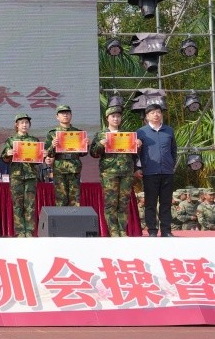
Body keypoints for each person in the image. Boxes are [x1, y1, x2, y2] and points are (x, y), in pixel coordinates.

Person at [89, 106, 137, 237]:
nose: (116, 119)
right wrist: (101, 144)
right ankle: (114, 231)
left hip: (126, 172)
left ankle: (122, 230)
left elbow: (134, 153)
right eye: (113, 116)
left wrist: (138, 145)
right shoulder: (100, 135)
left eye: (118, 116)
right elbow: (93, 153)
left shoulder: (127, 134)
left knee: (124, 203)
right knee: (111, 203)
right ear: (107, 119)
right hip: (109, 173)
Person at [136, 100, 178, 237]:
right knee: (150, 203)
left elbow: (173, 150)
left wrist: (171, 165)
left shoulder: (169, 130)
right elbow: (135, 153)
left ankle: (166, 230)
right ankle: (152, 230)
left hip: (167, 172)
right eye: (152, 113)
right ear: (147, 116)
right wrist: (138, 168)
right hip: (149, 172)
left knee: (166, 203)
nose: (156, 115)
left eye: (158, 112)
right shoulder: (141, 132)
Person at [2, 113, 43, 237]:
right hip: (16, 176)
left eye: (26, 123)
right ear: (17, 125)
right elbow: (4, 158)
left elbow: (38, 160)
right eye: (22, 123)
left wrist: (42, 155)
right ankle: (20, 231)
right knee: (18, 204)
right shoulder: (11, 140)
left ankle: (29, 230)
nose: (24, 125)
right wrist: (8, 154)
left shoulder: (34, 140)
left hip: (31, 175)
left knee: (30, 204)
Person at [44, 104, 89, 206]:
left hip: (74, 167)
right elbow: (48, 154)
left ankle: (74, 217)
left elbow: (83, 153)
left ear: (71, 115)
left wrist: (86, 145)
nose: (65, 115)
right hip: (59, 167)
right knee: (61, 198)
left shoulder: (78, 133)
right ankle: (61, 217)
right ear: (57, 116)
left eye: (67, 113)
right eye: (62, 113)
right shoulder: (52, 133)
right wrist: (52, 146)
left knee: (75, 199)